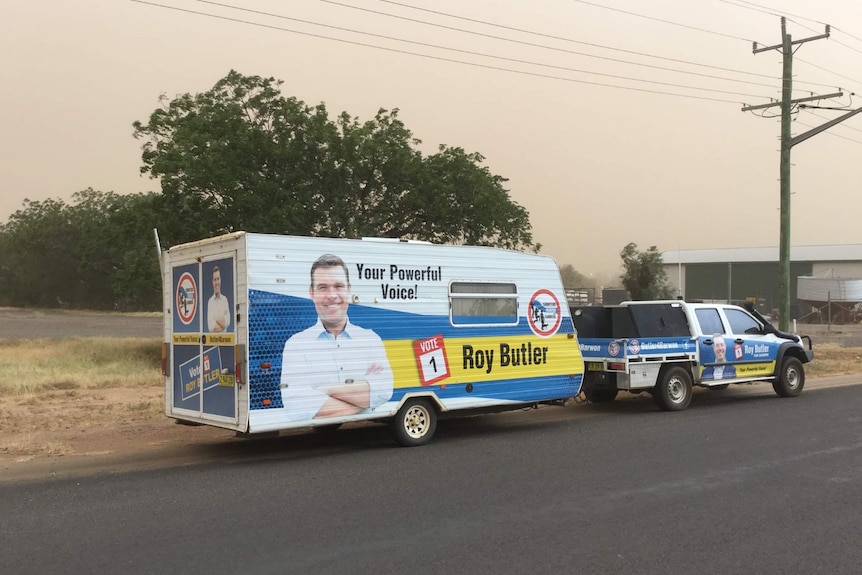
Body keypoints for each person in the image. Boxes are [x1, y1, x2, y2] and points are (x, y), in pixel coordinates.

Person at [279, 254, 394, 421]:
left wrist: (322, 389)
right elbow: (297, 407)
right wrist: (362, 397)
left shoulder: (370, 340)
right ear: (311, 293)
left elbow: (383, 391)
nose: (332, 295)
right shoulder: (296, 345)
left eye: (339, 286)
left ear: (349, 289)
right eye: (323, 287)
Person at [207, 266, 231, 333]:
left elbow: (227, 322)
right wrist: (222, 320)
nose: (217, 283)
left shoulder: (224, 300)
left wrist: (215, 318)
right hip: (213, 341)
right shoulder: (210, 302)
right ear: (212, 282)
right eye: (215, 280)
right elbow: (211, 327)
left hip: (225, 341)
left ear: (220, 280)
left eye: (218, 279)